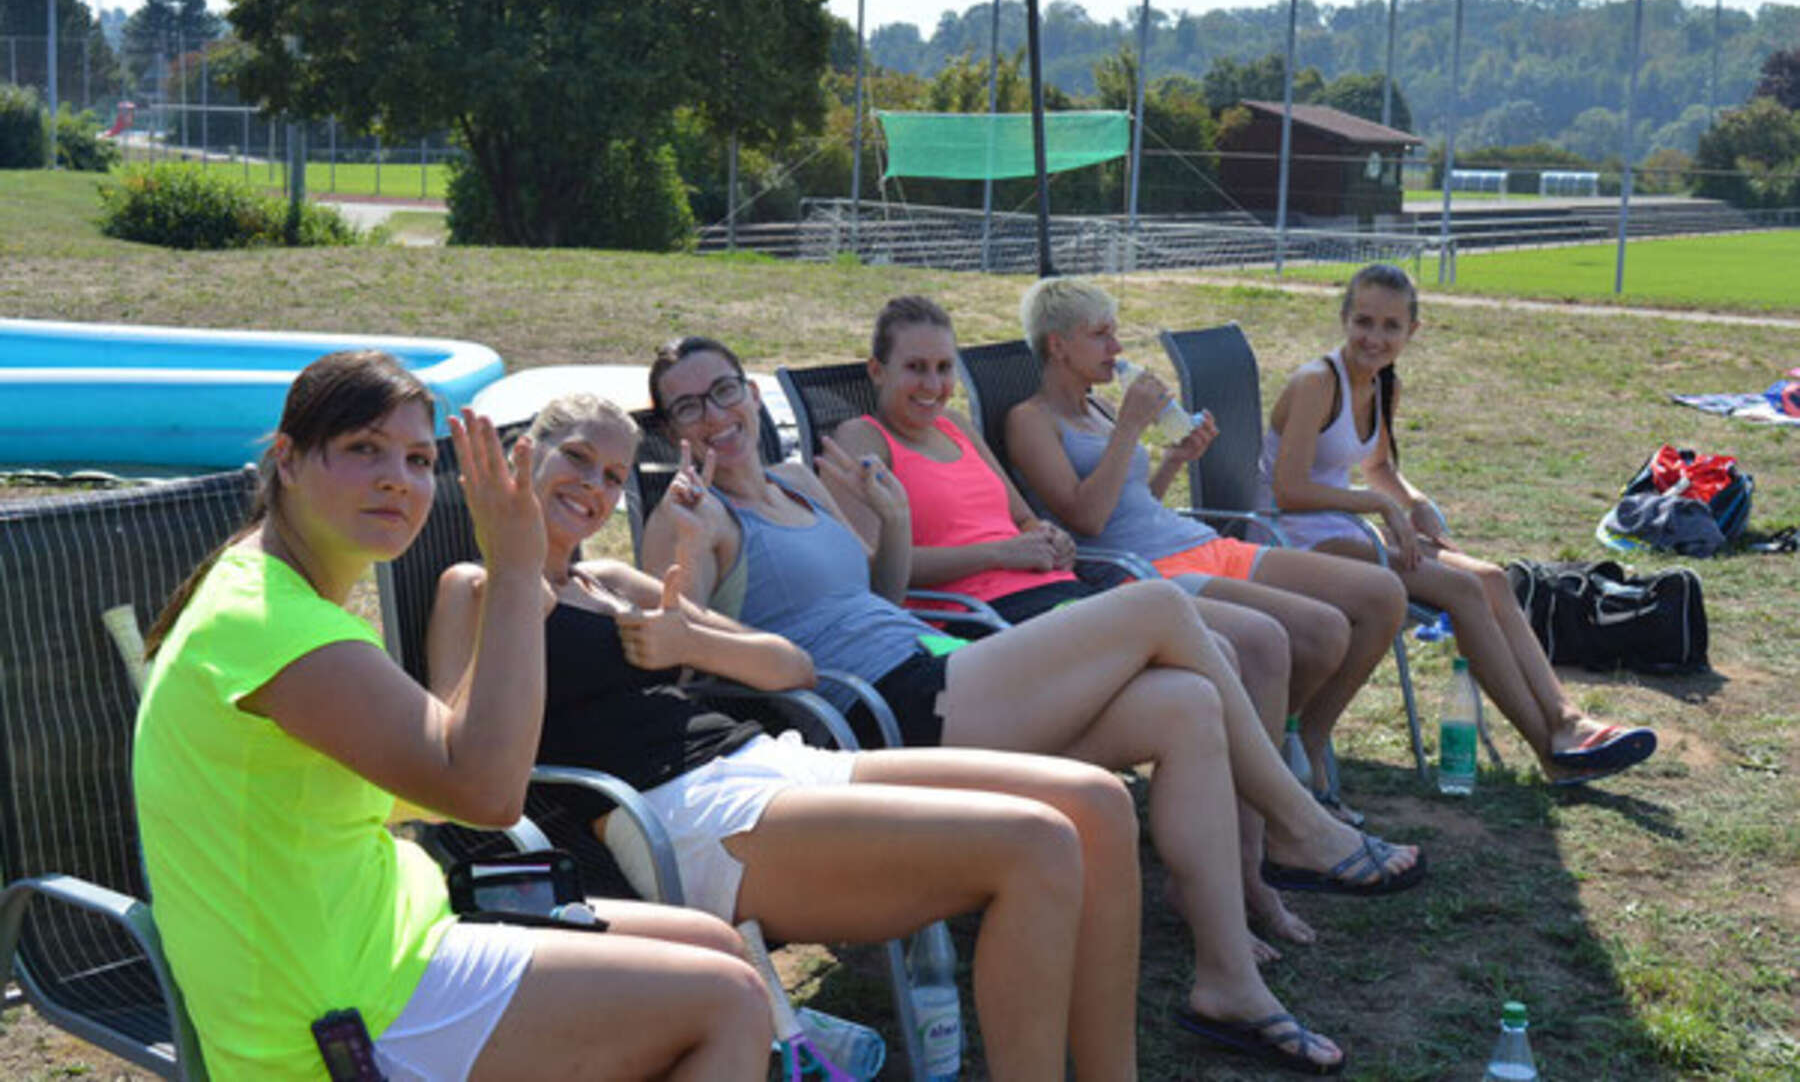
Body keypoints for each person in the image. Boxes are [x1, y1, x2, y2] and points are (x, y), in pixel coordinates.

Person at [644, 334, 1432, 1075]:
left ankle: (1227, 981)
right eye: (689, 407)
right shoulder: (693, 516)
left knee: (1185, 702)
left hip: (936, 660)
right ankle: (1298, 823)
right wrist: (682, 543)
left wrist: (892, 518)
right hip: (887, 713)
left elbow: (879, 596)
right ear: (672, 429)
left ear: (751, 394)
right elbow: (680, 661)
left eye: (725, 392)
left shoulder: (800, 479)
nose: (716, 417)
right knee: (1158, 608)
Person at [427, 392, 1145, 1082]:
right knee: (1036, 840)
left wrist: (690, 641)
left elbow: (790, 666)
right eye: (578, 458)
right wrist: (517, 580)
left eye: (613, 476)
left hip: (766, 761)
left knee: (1097, 800)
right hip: (683, 814)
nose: (594, 485)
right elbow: (458, 756)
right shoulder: (474, 587)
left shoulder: (613, 580)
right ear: (526, 456)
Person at [133, 351, 772, 1081]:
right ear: (288, 459)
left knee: (714, 946)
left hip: (392, 938)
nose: (396, 479)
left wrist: (512, 593)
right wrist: (514, 573)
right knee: (728, 1003)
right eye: (364, 449)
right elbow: (488, 796)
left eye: (415, 459)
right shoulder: (272, 625)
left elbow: (431, 781)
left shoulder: (273, 598)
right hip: (332, 1016)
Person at [833, 293, 1325, 946]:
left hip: (1054, 587)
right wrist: (1001, 554)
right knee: (1217, 655)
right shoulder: (862, 441)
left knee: (1251, 646)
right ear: (877, 371)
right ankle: (1277, 837)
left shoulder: (957, 428)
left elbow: (1021, 516)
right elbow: (877, 575)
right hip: (985, 622)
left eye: (944, 368)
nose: (933, 385)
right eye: (915, 368)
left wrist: (1046, 537)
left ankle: (1246, 864)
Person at [1003, 279, 1411, 825]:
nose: (1116, 348)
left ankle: (1295, 744)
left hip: (1194, 542)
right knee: (1322, 631)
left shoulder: (1099, 407)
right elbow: (1087, 519)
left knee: (1381, 594)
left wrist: (1174, 459)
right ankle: (1273, 786)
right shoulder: (1030, 420)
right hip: (1144, 574)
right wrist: (1130, 427)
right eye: (1100, 335)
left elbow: (1135, 504)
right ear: (1057, 345)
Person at [1257, 263, 1658, 787]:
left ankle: (1567, 720)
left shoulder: (1383, 384)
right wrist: (1378, 507)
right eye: (1363, 322)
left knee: (1491, 578)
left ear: (1412, 331)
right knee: (1463, 591)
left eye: (1391, 326)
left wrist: (1413, 501)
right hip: (1289, 536)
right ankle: (1552, 754)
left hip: (1339, 527)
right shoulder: (1317, 382)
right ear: (1344, 319)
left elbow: (1378, 466)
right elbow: (1287, 492)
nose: (1374, 338)